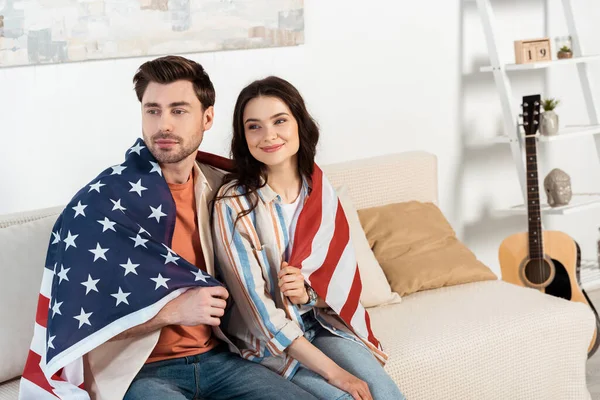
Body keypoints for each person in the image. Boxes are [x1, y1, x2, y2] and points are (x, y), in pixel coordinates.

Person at [19, 56, 318, 400]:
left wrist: (304, 289)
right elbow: (72, 326)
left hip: (220, 358)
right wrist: (172, 312)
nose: (164, 125)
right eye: (153, 110)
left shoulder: (224, 191)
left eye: (178, 110)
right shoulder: (99, 206)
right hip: (140, 373)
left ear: (207, 118)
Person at [211, 76, 405, 400]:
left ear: (299, 123)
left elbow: (335, 278)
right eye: (254, 126)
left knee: (386, 395)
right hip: (272, 345)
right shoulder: (233, 205)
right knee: (346, 397)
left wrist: (307, 294)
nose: (269, 135)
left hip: (321, 323)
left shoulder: (317, 186)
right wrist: (338, 375)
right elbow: (259, 315)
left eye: (279, 121)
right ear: (243, 137)